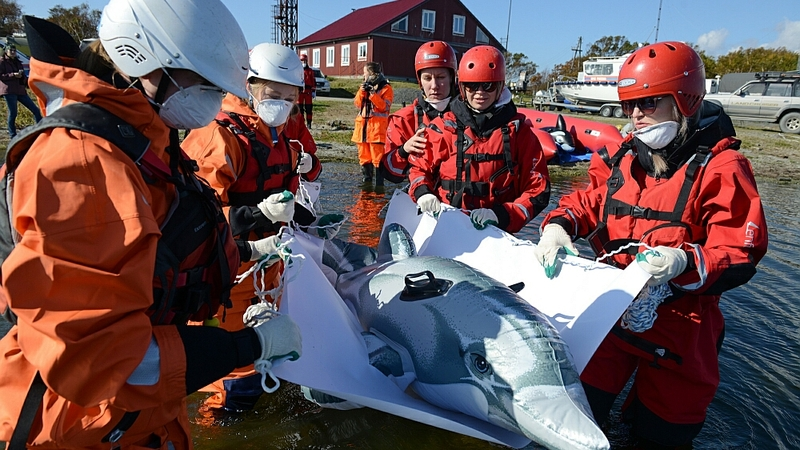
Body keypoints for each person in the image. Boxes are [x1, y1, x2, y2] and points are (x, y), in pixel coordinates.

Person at [0, 3, 302, 449]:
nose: (213, 101)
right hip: (78, 424)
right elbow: (99, 363)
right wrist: (248, 347)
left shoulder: (143, 139)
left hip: (142, 413)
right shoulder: (80, 166)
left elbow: (162, 243)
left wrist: (251, 252)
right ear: (143, 61)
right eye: (203, 84)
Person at [532, 41, 768, 448]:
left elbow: (742, 251)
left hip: (683, 327)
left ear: (683, 101)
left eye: (649, 103)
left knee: (661, 438)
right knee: (574, 415)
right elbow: (588, 201)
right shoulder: (622, 157)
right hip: (614, 314)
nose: (636, 116)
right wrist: (558, 225)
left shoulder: (722, 167)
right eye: (629, 105)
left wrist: (684, 261)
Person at [182, 42, 334, 412]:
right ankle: (215, 418)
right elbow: (196, 218)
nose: (280, 103)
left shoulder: (285, 128)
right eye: (272, 94)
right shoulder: (220, 137)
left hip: (269, 262)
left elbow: (294, 176)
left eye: (288, 96)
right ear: (249, 86)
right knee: (228, 374)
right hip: (228, 266)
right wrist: (259, 215)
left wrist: (303, 216)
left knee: (266, 353)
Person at [407, 45, 550, 234]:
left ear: (500, 86)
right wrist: (423, 193)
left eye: (488, 85)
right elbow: (419, 168)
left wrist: (502, 215)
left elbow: (538, 189)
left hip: (497, 233)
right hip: (446, 227)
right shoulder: (443, 127)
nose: (480, 93)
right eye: (472, 86)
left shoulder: (520, 134)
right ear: (462, 87)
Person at [379, 40, 457, 185]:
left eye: (441, 77)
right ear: (420, 81)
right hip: (421, 197)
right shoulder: (403, 119)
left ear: (452, 78)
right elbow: (389, 173)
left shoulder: (470, 115)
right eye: (427, 78)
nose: (434, 86)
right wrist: (404, 150)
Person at [352, 61, 393, 185]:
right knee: (364, 159)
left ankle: (379, 188)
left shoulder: (386, 88)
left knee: (378, 159)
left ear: (373, 74)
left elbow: (384, 107)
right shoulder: (364, 86)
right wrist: (362, 91)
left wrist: (373, 94)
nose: (364, 76)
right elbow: (357, 104)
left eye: (365, 74)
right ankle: (366, 186)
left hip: (376, 130)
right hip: (362, 130)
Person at [0, 44, 42, 138]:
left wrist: (23, 77)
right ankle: (12, 135)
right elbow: (1, 76)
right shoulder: (2, 61)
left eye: (14, 50)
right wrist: (13, 75)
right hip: (9, 90)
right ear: (6, 51)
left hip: (20, 90)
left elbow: (23, 75)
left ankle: (40, 131)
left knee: (35, 110)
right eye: (11, 50)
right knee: (13, 113)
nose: (13, 52)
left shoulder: (18, 62)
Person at [297, 53, 315, 128]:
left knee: (309, 108)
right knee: (299, 108)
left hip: (308, 92)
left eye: (304, 61)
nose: (303, 62)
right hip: (300, 92)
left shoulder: (310, 71)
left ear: (306, 61)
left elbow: (313, 81)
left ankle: (309, 123)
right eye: (301, 61)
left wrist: (314, 91)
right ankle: (301, 123)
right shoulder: (297, 71)